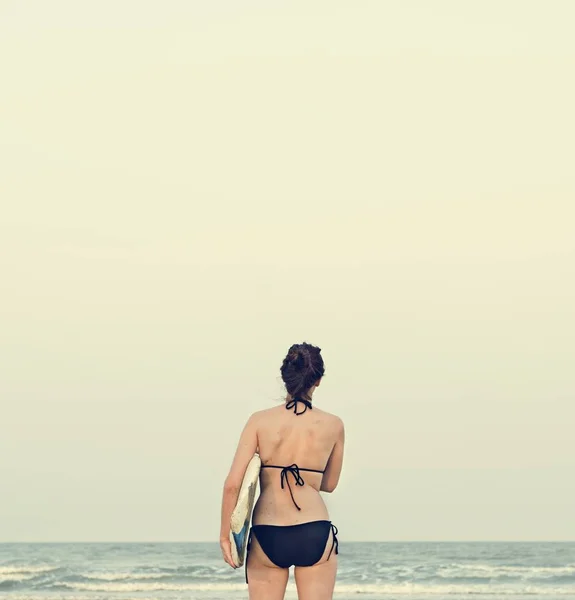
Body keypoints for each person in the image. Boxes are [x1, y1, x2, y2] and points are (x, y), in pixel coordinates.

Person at [219, 342, 345, 600]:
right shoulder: (334, 425)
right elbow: (330, 484)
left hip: (269, 532)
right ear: (318, 380)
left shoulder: (259, 421)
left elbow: (233, 484)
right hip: (314, 530)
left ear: (285, 377)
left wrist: (225, 535)